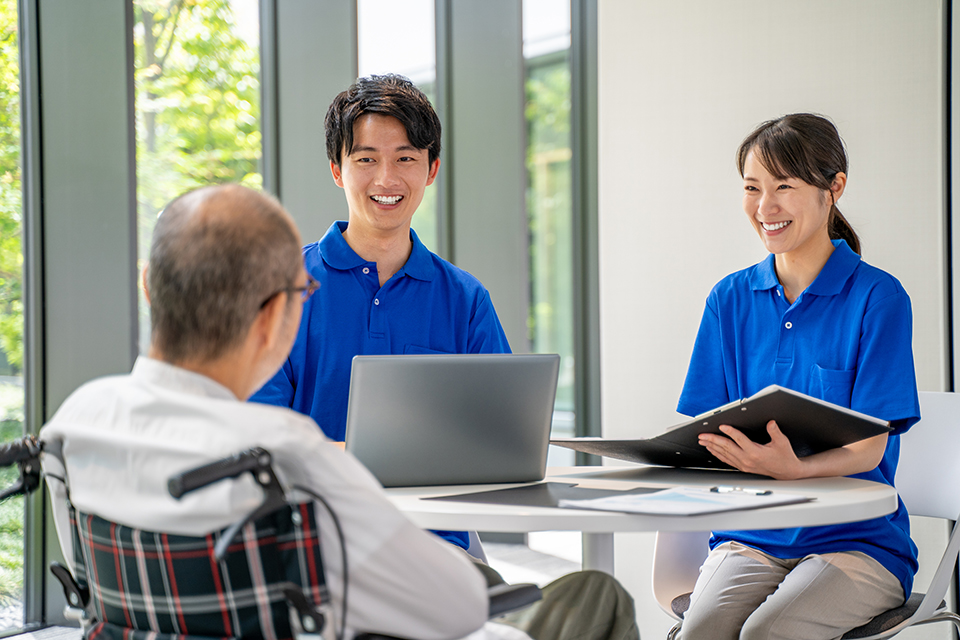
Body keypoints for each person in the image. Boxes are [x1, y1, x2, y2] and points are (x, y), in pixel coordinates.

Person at [40, 184, 639, 640]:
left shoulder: (75, 423)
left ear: (149, 286)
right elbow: (455, 607)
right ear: (276, 316)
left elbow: (92, 591)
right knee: (596, 595)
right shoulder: (285, 454)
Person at [675, 114, 920, 640]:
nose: (766, 208)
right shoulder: (729, 299)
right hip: (752, 535)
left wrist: (792, 471)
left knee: (768, 634)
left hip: (859, 543)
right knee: (700, 633)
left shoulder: (878, 299)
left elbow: (869, 451)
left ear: (834, 188)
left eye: (784, 185)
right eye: (752, 188)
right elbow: (706, 427)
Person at [251, 73, 510, 552]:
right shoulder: (279, 290)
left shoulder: (467, 300)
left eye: (406, 159)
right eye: (366, 159)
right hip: (310, 546)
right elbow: (259, 440)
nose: (386, 180)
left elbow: (499, 445)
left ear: (431, 169)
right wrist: (402, 458)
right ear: (337, 169)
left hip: (434, 547)